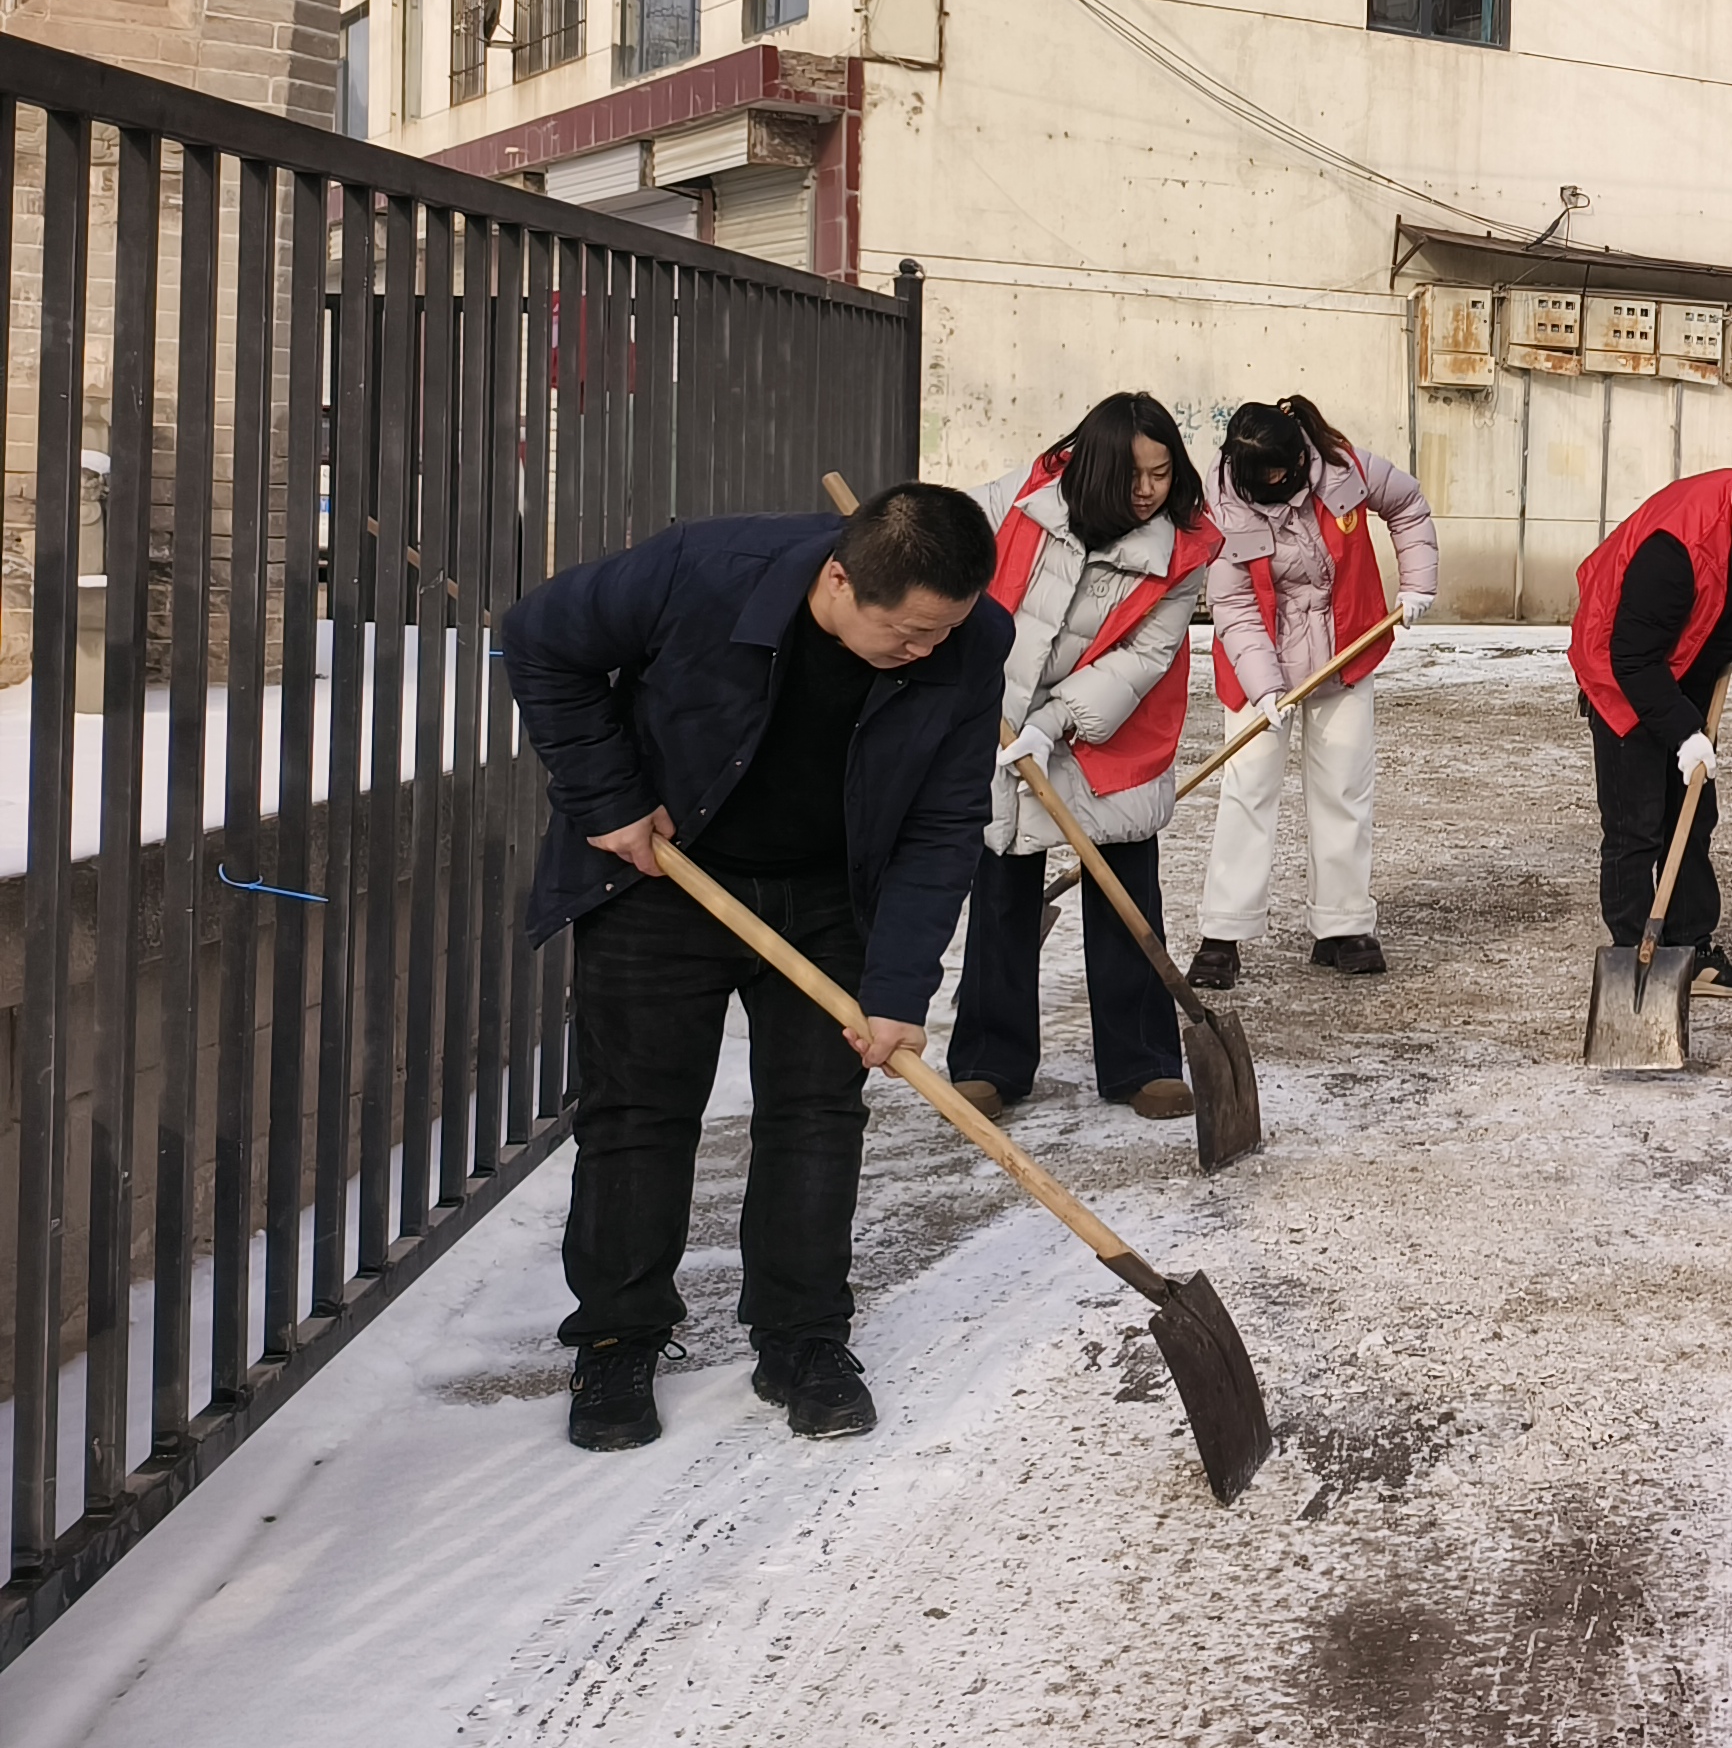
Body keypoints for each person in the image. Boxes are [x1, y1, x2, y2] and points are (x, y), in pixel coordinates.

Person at [503, 483, 1012, 1455]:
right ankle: (616, 1338)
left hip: (830, 893)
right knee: (637, 1113)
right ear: (839, 580)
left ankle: (802, 1337)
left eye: (944, 631)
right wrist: (607, 796)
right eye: (908, 634)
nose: (928, 652)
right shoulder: (706, 570)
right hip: (664, 876)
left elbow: (945, 819)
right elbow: (538, 637)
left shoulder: (972, 640)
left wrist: (897, 989)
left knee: (817, 1113)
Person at [950, 394, 1221, 1123]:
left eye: (1162, 473)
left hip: (1111, 731)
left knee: (1124, 887)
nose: (1148, 490)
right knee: (1002, 888)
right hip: (1003, 720)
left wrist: (1053, 723)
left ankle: (1143, 1061)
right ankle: (989, 1060)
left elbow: (1146, 655)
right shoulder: (1025, 497)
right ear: (1093, 468)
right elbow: (945, 536)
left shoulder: (1183, 549)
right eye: (1133, 475)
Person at [1185, 396, 1438, 984]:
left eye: (1291, 468)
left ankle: (1343, 925)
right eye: (1273, 478)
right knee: (1248, 788)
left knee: (1343, 786)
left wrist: (1417, 584)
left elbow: (1406, 504)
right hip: (1258, 662)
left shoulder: (1339, 464)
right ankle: (1224, 932)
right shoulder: (1219, 509)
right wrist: (1265, 690)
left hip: (1345, 649)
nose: (1289, 481)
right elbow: (1234, 607)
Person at [1567, 438, 1732, 998]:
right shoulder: (1674, 549)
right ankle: (1634, 956)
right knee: (1637, 827)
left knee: (1692, 816)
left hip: (1685, 663)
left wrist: (1723, 649)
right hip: (1620, 675)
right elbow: (1632, 660)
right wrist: (1685, 733)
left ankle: (1690, 948)